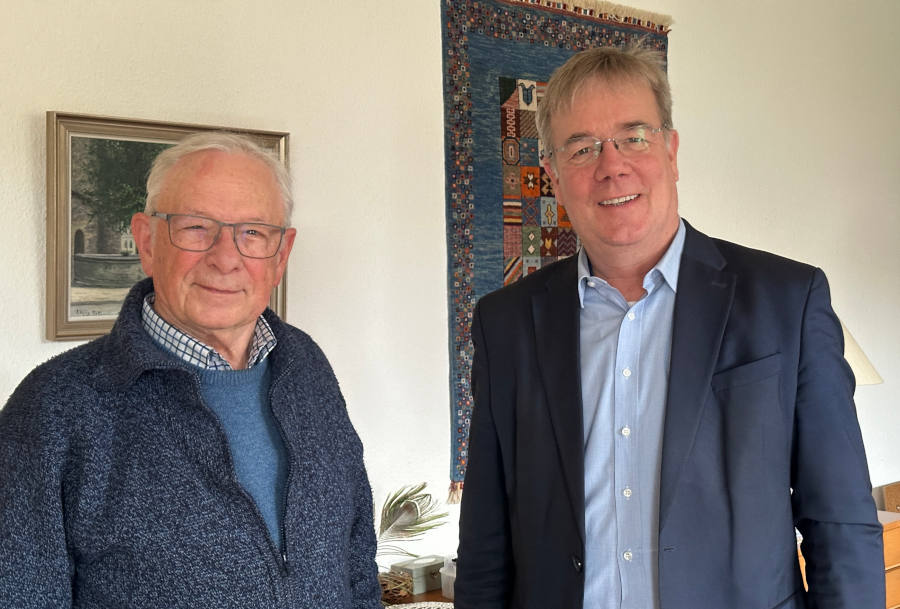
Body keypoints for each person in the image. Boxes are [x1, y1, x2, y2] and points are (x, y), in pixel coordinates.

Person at [455, 45, 884, 609]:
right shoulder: (505, 323)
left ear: (672, 151)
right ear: (555, 177)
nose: (613, 166)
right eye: (583, 149)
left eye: (634, 137)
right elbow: (486, 539)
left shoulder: (788, 301)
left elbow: (840, 523)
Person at [0, 132, 382, 608]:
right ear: (147, 240)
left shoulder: (305, 365)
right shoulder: (54, 405)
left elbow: (355, 550)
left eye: (253, 233)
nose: (226, 258)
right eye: (196, 228)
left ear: (281, 255)